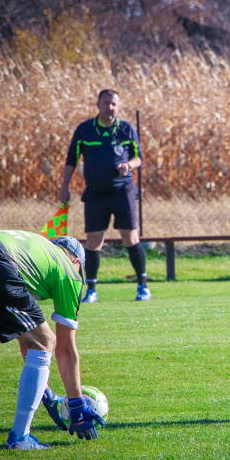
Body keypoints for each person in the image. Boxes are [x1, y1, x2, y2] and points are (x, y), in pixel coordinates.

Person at [0, 230, 106, 449]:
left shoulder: (36, 255)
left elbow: (25, 338)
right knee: (46, 340)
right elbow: (64, 350)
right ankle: (20, 437)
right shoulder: (68, 270)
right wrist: (76, 403)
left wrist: (46, 393)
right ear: (76, 261)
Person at [59, 89, 151, 303]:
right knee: (93, 242)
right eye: (106, 103)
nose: (110, 107)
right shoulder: (84, 130)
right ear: (98, 104)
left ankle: (142, 286)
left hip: (123, 192)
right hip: (96, 194)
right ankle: (91, 290)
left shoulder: (126, 129)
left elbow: (139, 159)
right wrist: (64, 187)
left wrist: (128, 165)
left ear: (118, 106)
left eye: (113, 104)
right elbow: (71, 159)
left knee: (131, 238)